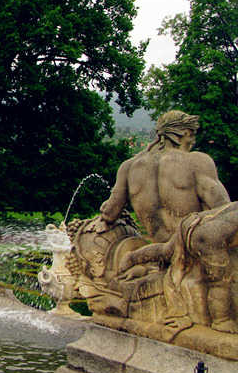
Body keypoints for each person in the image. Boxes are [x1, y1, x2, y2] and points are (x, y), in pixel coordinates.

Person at [87, 110, 230, 243]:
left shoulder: (129, 167)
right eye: (191, 135)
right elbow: (226, 211)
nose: (193, 142)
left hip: (158, 252)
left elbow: (110, 214)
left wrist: (102, 214)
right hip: (193, 251)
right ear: (181, 133)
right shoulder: (196, 162)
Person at [118, 201, 238, 336]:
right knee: (221, 283)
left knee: (165, 250)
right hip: (208, 237)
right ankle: (221, 320)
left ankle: (133, 257)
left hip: (194, 223)